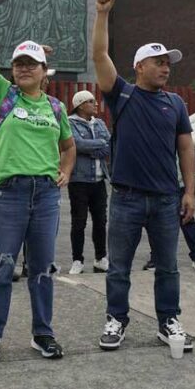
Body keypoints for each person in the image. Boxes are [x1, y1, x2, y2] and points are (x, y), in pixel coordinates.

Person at [0, 0, 76, 364]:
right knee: (2, 267)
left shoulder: (57, 109)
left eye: (31, 64)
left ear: (45, 71)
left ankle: (42, 334)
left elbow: (68, 146)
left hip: (45, 196)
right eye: (19, 64)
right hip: (8, 195)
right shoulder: (1, 95)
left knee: (42, 270)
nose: (24, 69)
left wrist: (66, 171)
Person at [90, 0, 195, 353]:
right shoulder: (123, 95)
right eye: (158, 62)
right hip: (126, 199)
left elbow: (185, 148)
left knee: (168, 267)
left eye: (168, 63)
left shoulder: (176, 103)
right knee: (119, 267)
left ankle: (168, 321)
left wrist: (190, 192)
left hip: (167, 200)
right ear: (139, 67)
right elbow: (100, 57)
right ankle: (116, 319)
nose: (166, 68)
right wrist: (103, 15)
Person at [67, 89, 111, 275]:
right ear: (80, 104)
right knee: (79, 222)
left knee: (101, 221)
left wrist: (92, 147)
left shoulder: (99, 123)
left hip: (99, 180)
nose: (95, 104)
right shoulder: (70, 123)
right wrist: (98, 144)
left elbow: (109, 145)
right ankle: (77, 260)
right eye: (91, 101)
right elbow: (75, 144)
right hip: (79, 180)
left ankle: (101, 258)